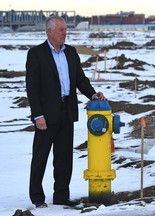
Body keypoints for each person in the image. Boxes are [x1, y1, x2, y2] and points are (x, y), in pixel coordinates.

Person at [25, 15, 106, 208]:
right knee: (40, 157)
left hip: (67, 111)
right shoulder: (36, 54)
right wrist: (38, 115)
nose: (64, 33)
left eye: (65, 29)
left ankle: (61, 195)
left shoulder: (71, 52)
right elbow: (32, 88)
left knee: (63, 158)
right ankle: (37, 197)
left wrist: (93, 95)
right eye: (61, 30)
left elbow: (80, 79)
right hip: (46, 114)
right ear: (50, 31)